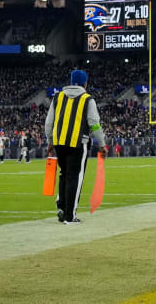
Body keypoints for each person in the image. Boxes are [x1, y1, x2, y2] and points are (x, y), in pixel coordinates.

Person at [45, 69, 108, 224]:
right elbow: (94, 124)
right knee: (75, 177)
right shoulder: (87, 99)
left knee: (64, 174)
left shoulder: (58, 97)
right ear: (85, 83)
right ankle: (69, 216)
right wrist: (102, 144)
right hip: (78, 142)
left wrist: (50, 141)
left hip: (60, 142)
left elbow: (49, 122)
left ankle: (61, 207)